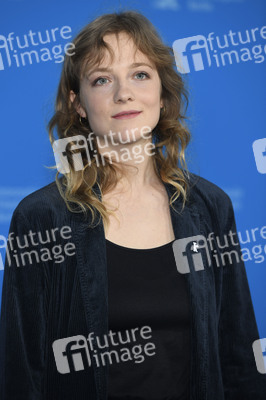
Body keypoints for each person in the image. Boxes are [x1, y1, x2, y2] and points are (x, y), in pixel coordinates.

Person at [0, 10, 265, 400]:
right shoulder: (41, 218)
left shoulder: (210, 208)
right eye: (102, 79)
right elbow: (20, 373)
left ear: (162, 92)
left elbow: (240, 356)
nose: (124, 92)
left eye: (140, 74)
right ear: (78, 103)